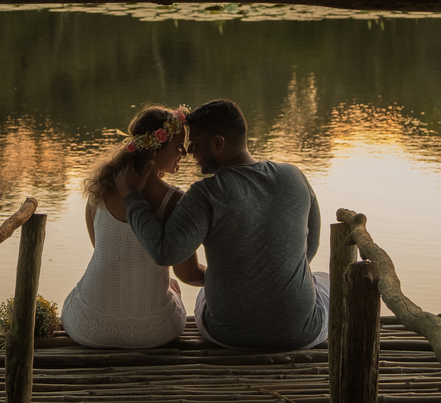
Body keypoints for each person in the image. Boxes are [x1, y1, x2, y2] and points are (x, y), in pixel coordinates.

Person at [115, 98, 328, 350]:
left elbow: (165, 252)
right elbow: (309, 248)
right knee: (322, 278)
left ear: (218, 143)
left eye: (195, 143)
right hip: (301, 335)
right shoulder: (295, 176)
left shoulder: (205, 193)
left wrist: (132, 199)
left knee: (209, 290)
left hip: (227, 336)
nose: (189, 151)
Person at [61, 105, 205, 348]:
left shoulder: (101, 188)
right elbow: (187, 273)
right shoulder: (176, 202)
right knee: (176, 287)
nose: (185, 152)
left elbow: (104, 250)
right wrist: (227, 278)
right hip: (154, 333)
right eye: (179, 146)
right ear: (156, 150)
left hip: (89, 326)